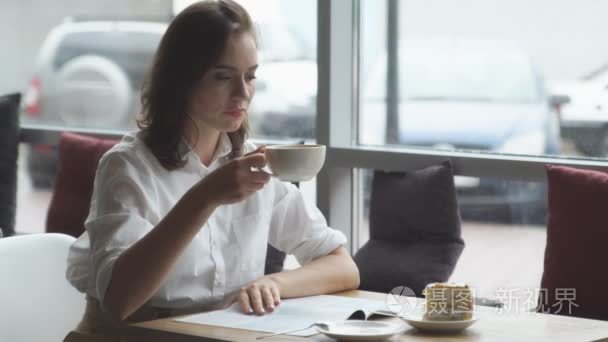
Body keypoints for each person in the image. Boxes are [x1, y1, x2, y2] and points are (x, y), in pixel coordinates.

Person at [63, 0, 359, 340]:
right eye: (223, 77)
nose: (243, 92)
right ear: (180, 79)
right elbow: (119, 301)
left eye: (250, 76)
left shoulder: (251, 161)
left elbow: (342, 266)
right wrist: (204, 197)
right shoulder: (127, 166)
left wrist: (272, 282)